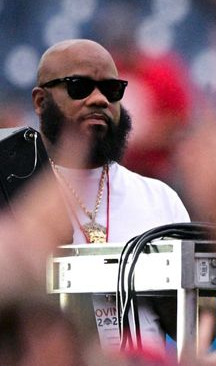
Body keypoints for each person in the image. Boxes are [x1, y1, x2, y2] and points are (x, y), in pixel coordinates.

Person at [31, 38, 205, 354]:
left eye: (111, 90)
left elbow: (198, 318)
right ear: (41, 101)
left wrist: (162, 285)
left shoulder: (160, 197)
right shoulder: (19, 198)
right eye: (79, 86)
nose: (98, 99)